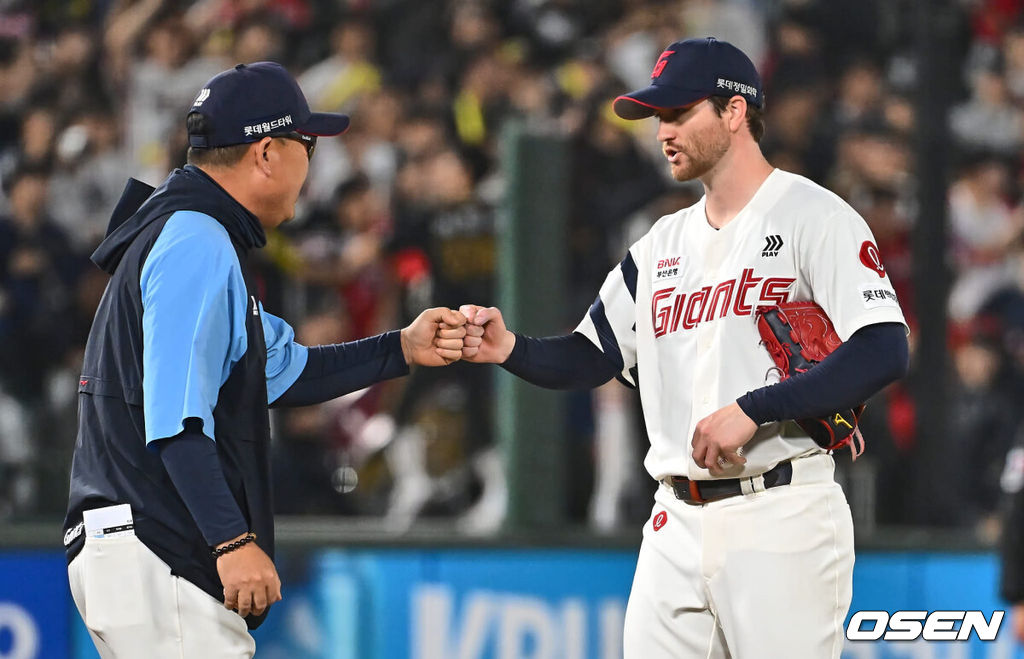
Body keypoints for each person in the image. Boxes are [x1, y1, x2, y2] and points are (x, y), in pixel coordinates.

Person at [459, 37, 909, 657]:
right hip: (673, 519)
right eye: (657, 118)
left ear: (734, 112)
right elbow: (591, 355)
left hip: (781, 511)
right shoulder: (660, 245)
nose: (662, 131)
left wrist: (757, 407)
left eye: (677, 113)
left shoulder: (815, 216)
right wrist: (509, 348)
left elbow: (884, 347)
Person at [62, 61, 467, 658]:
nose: (314, 162)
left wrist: (402, 347)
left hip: (135, 547)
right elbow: (176, 419)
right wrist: (231, 541)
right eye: (308, 145)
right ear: (268, 153)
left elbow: (283, 371)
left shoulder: (194, 233)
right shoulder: (196, 238)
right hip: (158, 544)